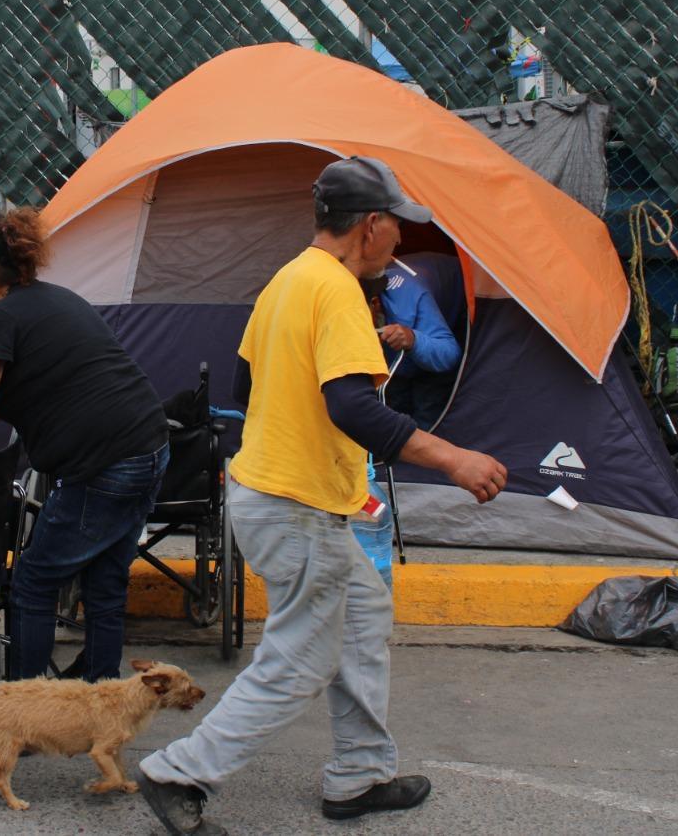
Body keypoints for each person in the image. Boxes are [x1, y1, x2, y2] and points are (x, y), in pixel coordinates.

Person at [137, 157, 508, 836]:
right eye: (395, 225)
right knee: (300, 659)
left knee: (363, 623)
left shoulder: (286, 280)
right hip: (294, 505)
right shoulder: (335, 289)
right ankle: (178, 772)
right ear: (370, 226)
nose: (400, 239)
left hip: (282, 494)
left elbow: (250, 387)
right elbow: (355, 409)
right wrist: (453, 457)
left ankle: (360, 775)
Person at [0, 206, 169, 682]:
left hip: (106, 464)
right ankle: (96, 688)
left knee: (33, 581)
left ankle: (20, 711)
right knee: (105, 579)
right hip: (151, 445)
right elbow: (33, 385)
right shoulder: (58, 298)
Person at [375, 260, 462, 430]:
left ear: (375, 303)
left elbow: (451, 355)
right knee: (394, 404)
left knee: (428, 407)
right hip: (396, 361)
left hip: (451, 310)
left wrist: (413, 339)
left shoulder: (411, 297)